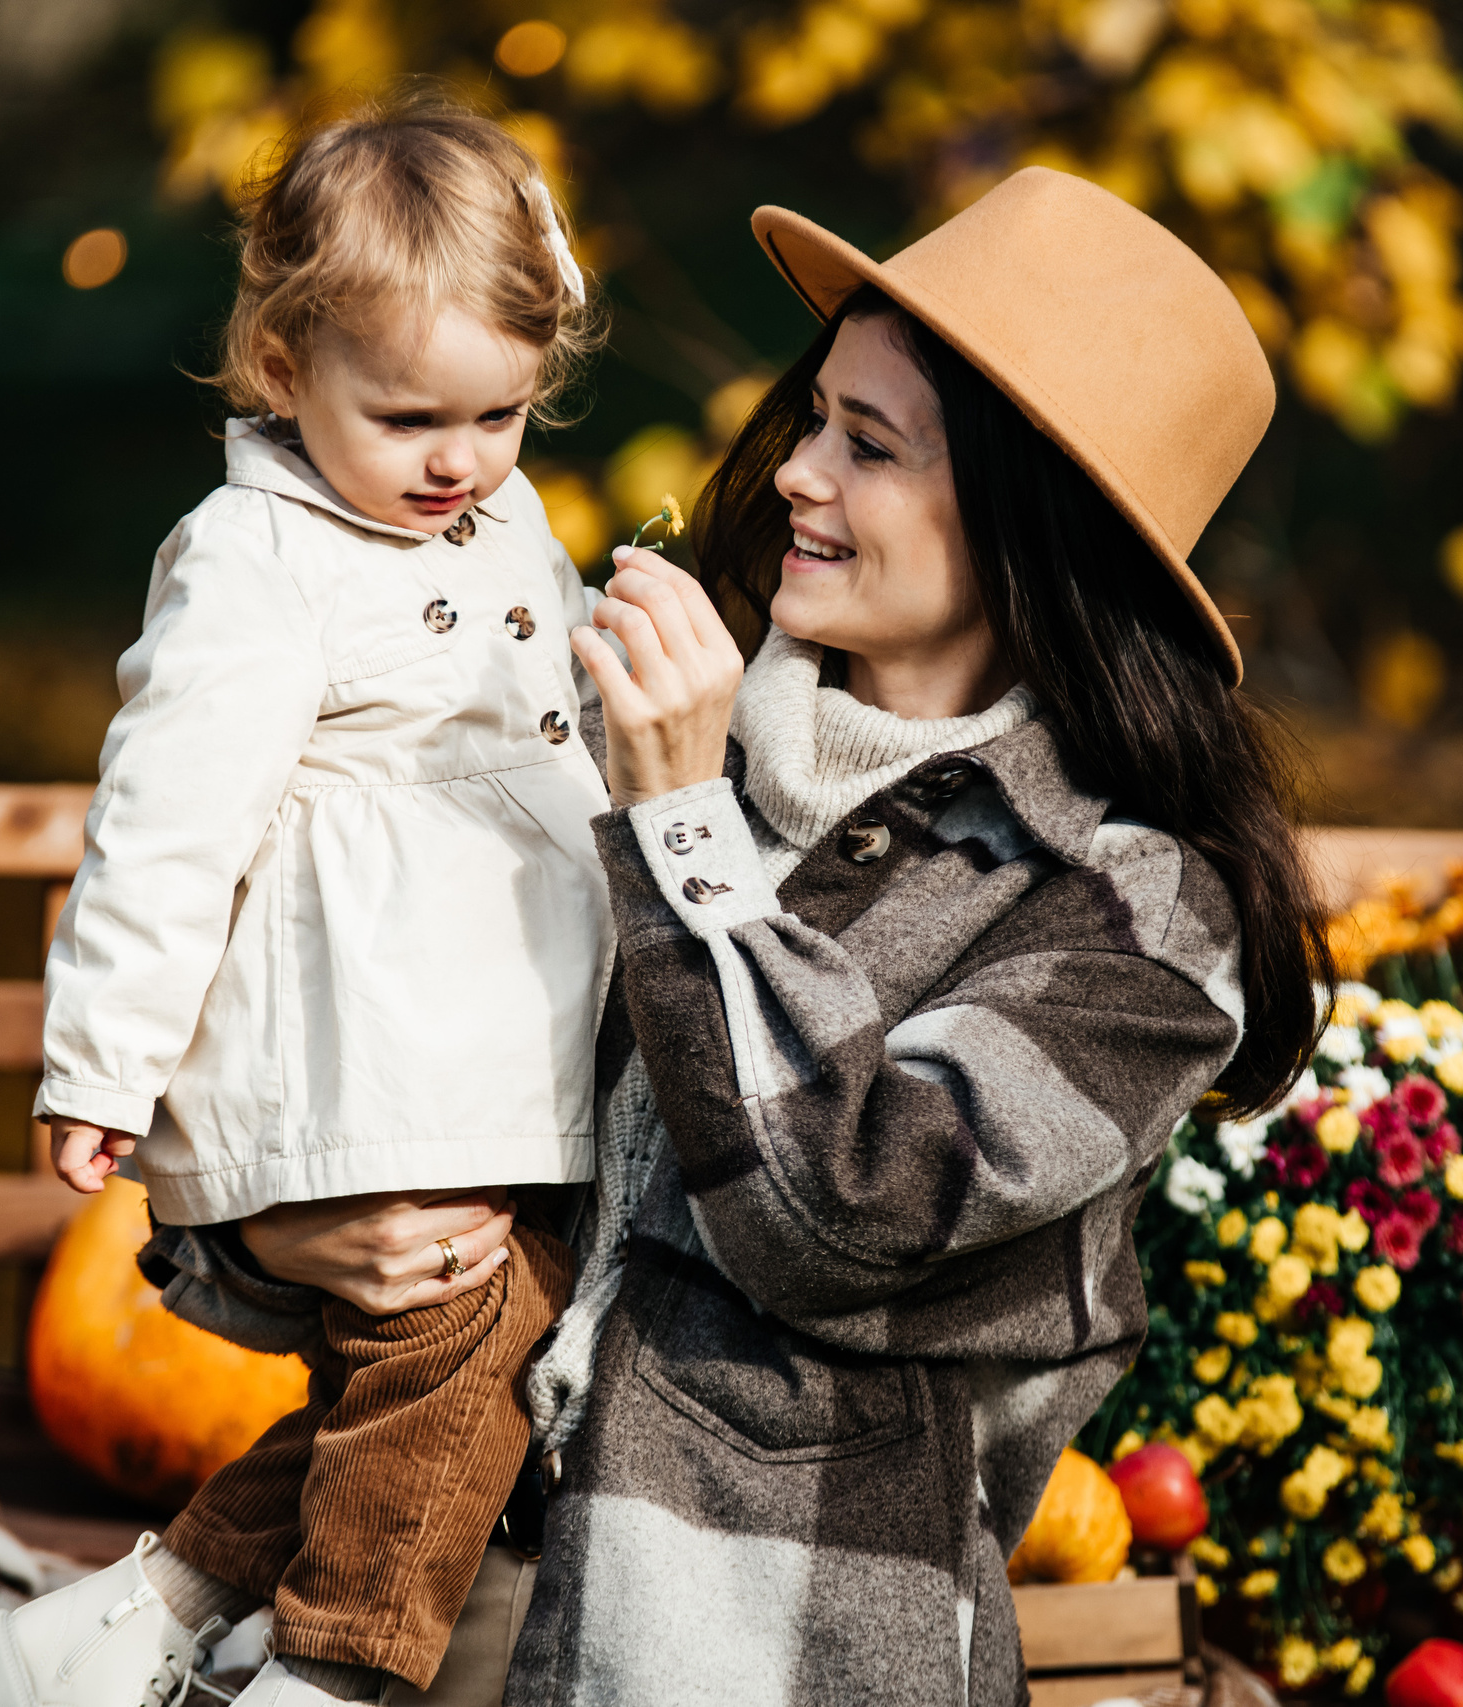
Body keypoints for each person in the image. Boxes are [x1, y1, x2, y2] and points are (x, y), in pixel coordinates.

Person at [240, 165, 1332, 1706]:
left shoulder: (1138, 918)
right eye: (816, 419)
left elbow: (842, 1206)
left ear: (1036, 528)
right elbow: (370, 1012)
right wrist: (267, 1235)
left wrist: (682, 831)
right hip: (406, 1599)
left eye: (869, 446)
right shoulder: (647, 734)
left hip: (766, 1655)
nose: (800, 476)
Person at [0, 100, 607, 1707]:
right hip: (361, 1061)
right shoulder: (257, 558)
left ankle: (126, 1625)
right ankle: (333, 1677)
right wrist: (102, 1066)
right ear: (282, 369)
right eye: (408, 419)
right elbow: (162, 829)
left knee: (438, 1375)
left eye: (501, 415)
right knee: (468, 1335)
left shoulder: (503, 516)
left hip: (492, 1059)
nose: (459, 461)